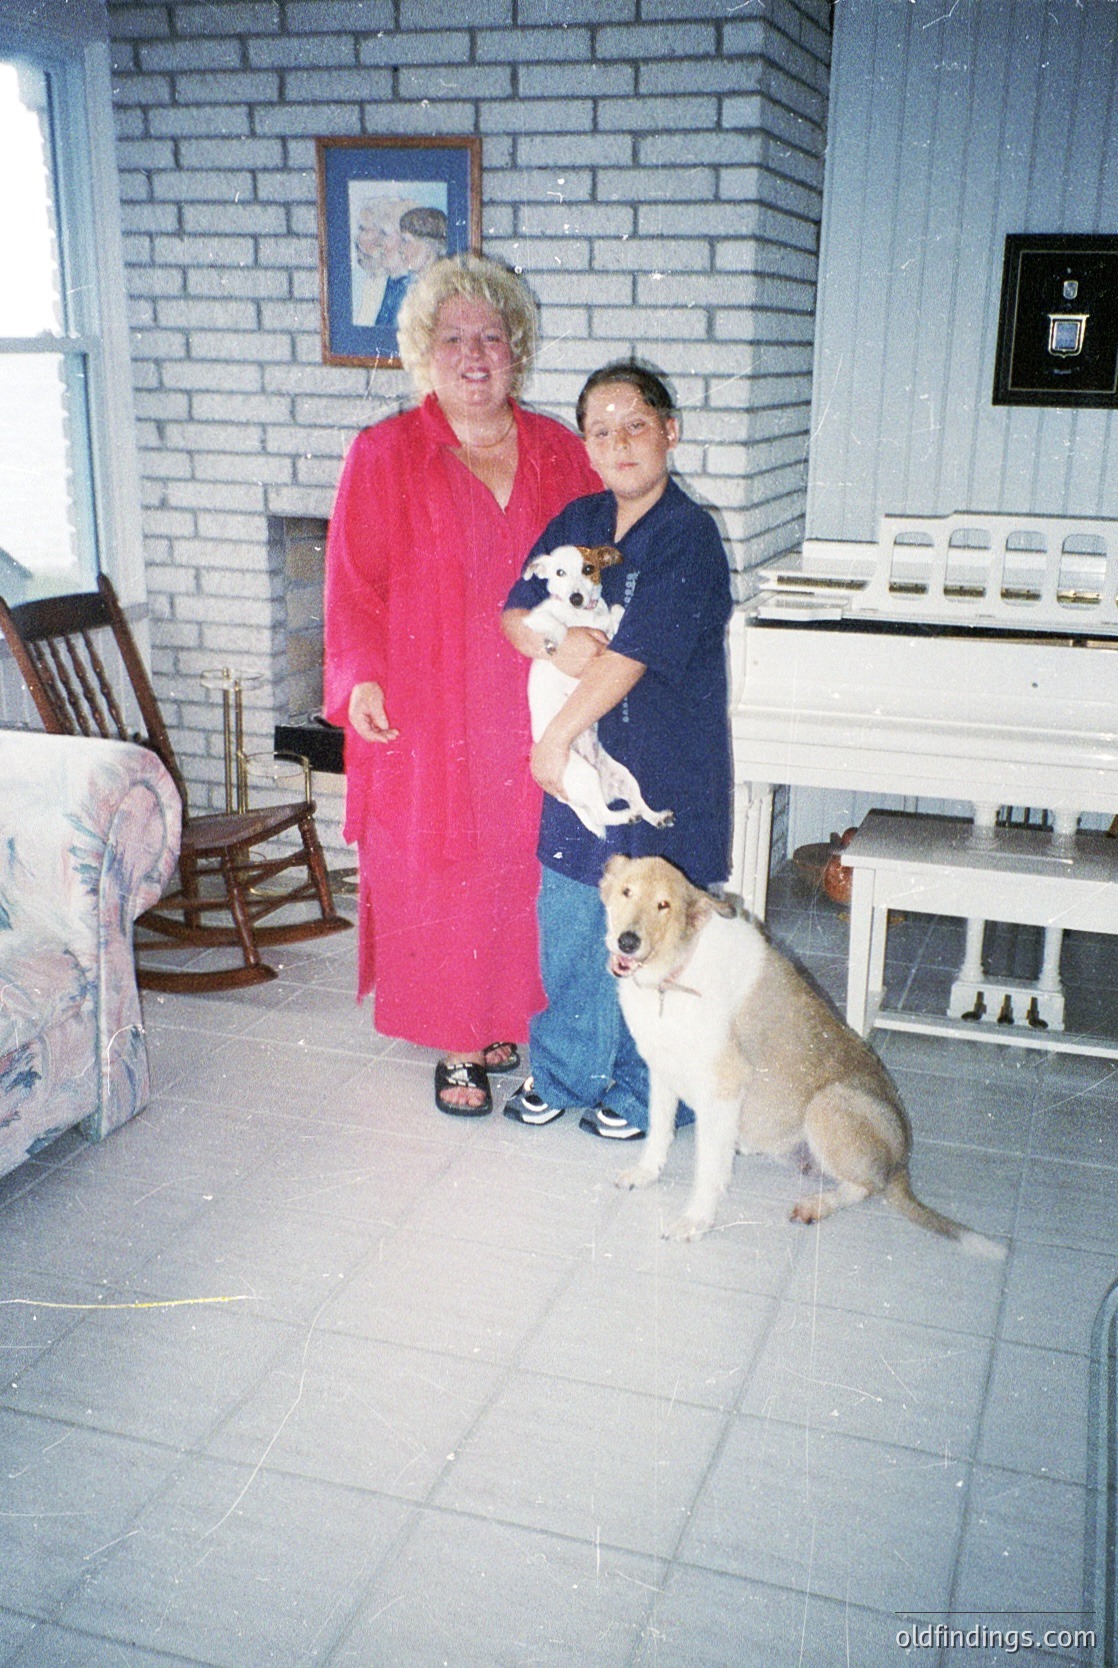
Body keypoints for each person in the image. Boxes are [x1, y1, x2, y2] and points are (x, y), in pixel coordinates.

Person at [324, 255, 601, 1115]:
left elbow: (602, 563)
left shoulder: (560, 450)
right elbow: (353, 588)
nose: (474, 355)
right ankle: (456, 1044)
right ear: (425, 353)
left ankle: (508, 1018)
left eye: (492, 337)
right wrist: (360, 679)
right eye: (454, 339)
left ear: (517, 350)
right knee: (438, 870)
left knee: (526, 864)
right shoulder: (385, 453)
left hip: (533, 698)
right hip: (429, 701)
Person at [501, 362, 733, 1139]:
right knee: (570, 920)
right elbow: (513, 613)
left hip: (663, 771)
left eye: (635, 423)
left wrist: (553, 739)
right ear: (587, 446)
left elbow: (630, 657)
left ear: (670, 430)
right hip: (585, 777)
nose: (618, 442)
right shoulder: (578, 517)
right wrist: (552, 642)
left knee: (663, 942)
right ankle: (564, 1073)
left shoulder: (688, 538)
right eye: (600, 430)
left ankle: (647, 1093)